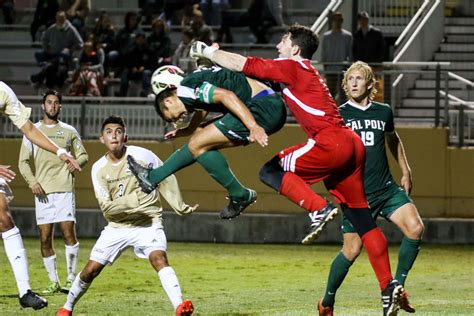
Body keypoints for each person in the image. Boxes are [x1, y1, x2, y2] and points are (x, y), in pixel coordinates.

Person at [190, 24, 404, 314]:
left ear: (295, 48)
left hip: (331, 142)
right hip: (352, 147)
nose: (279, 44)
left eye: (284, 40)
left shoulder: (292, 66)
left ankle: (318, 208)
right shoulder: (300, 72)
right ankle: (387, 285)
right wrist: (213, 65)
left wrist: (208, 51)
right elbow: (251, 76)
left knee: (270, 171)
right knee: (363, 221)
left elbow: (243, 63)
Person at [55, 115, 196, 316]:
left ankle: (180, 306)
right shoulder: (98, 170)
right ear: (101, 139)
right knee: (90, 271)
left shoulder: (143, 156)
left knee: (159, 258)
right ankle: (66, 308)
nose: (114, 136)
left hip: (148, 223)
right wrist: (135, 200)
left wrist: (179, 206)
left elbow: (166, 175)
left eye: (119, 131)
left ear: (125, 137)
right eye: (109, 132)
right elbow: (107, 209)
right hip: (117, 227)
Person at [318, 61, 423, 315]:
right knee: (352, 250)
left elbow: (393, 139)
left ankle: (394, 289)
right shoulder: (338, 114)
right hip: (356, 196)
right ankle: (326, 302)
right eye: (350, 79)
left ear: (369, 84)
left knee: (415, 228)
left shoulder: (383, 112)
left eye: (359, 78)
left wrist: (406, 170)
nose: (353, 82)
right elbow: (327, 150)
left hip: (386, 189)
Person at [127, 64, 286, 219]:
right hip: (266, 104)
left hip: (261, 107)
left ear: (168, 101)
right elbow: (205, 106)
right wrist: (189, 129)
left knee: (197, 143)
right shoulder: (192, 85)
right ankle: (239, 194)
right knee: (200, 146)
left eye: (173, 117)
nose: (178, 120)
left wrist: (253, 126)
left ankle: (152, 178)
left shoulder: (184, 89)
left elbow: (226, 96)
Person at [0, 81, 81, 310]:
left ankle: (25, 292)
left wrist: (60, 151)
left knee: (5, 219)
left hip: (61, 189)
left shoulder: (3, 92)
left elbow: (29, 130)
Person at [18, 90, 89, 294]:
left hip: (64, 189)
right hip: (42, 192)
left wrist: (75, 164)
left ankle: (70, 278)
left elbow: (83, 155)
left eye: (56, 103)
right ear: (43, 105)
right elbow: (22, 162)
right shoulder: (32, 131)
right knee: (44, 238)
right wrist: (32, 182)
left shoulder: (69, 131)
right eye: (49, 102)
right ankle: (53, 281)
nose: (52, 106)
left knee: (68, 233)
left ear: (61, 106)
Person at [30, 11, 83, 89]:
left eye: (62, 19)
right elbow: (44, 39)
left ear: (65, 18)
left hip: (64, 56)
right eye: (58, 19)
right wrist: (46, 48)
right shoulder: (52, 28)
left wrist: (70, 49)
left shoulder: (71, 29)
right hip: (52, 53)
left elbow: (80, 43)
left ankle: (38, 77)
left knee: (61, 57)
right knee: (39, 54)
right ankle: (46, 67)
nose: (60, 21)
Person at [320, 12, 352, 105]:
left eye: (340, 20)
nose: (338, 22)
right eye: (336, 20)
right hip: (330, 70)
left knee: (343, 96)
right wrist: (326, 69)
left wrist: (347, 68)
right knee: (330, 95)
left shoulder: (347, 36)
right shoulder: (326, 36)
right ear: (332, 21)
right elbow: (324, 54)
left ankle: (342, 116)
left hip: (343, 71)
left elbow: (350, 54)